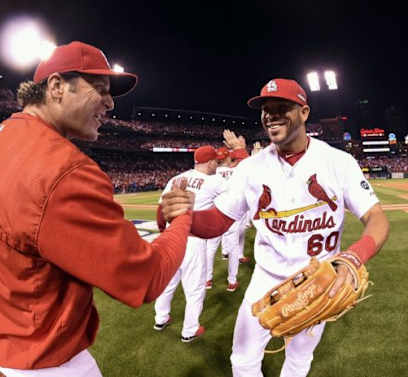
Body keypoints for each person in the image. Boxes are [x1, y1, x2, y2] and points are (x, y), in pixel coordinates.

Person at [0, 41, 194, 377]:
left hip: (0, 336)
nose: (111, 102)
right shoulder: (63, 169)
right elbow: (145, 278)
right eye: (100, 89)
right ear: (55, 87)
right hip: (47, 357)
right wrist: (181, 220)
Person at [190, 78, 390, 377]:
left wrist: (353, 256)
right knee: (243, 360)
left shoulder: (338, 162)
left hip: (319, 280)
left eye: (281, 107)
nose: (270, 114)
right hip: (265, 279)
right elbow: (218, 220)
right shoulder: (250, 168)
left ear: (304, 112)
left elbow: (377, 219)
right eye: (265, 109)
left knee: (298, 360)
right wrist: (183, 219)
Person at [154, 145, 226, 342]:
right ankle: (189, 330)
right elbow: (233, 201)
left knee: (168, 282)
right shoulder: (215, 181)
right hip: (192, 239)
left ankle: (161, 319)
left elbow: (161, 210)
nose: (217, 165)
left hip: (170, 237)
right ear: (210, 162)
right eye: (216, 162)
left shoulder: (176, 179)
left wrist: (164, 232)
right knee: (194, 289)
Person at [205, 145, 248, 292]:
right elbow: (248, 164)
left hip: (212, 215)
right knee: (234, 249)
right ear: (229, 158)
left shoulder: (211, 173)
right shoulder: (238, 172)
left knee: (209, 249)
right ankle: (232, 281)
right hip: (230, 217)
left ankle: (207, 280)